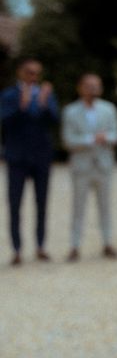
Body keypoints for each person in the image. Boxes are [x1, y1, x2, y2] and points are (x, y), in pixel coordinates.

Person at [1, 58, 58, 266]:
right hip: (17, 158)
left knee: (41, 203)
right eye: (29, 72)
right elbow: (5, 121)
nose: (33, 76)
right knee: (15, 204)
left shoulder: (45, 94)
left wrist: (44, 104)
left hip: (41, 157)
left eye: (36, 73)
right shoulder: (9, 95)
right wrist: (21, 105)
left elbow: (54, 120)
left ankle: (40, 246)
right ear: (20, 72)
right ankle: (16, 249)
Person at [61, 73, 117, 261]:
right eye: (89, 85)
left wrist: (106, 138)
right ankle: (74, 245)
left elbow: (115, 134)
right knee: (78, 207)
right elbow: (68, 140)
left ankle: (108, 242)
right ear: (80, 87)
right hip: (82, 166)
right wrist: (90, 139)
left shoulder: (109, 109)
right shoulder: (70, 111)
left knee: (105, 206)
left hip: (103, 165)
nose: (93, 89)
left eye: (96, 85)